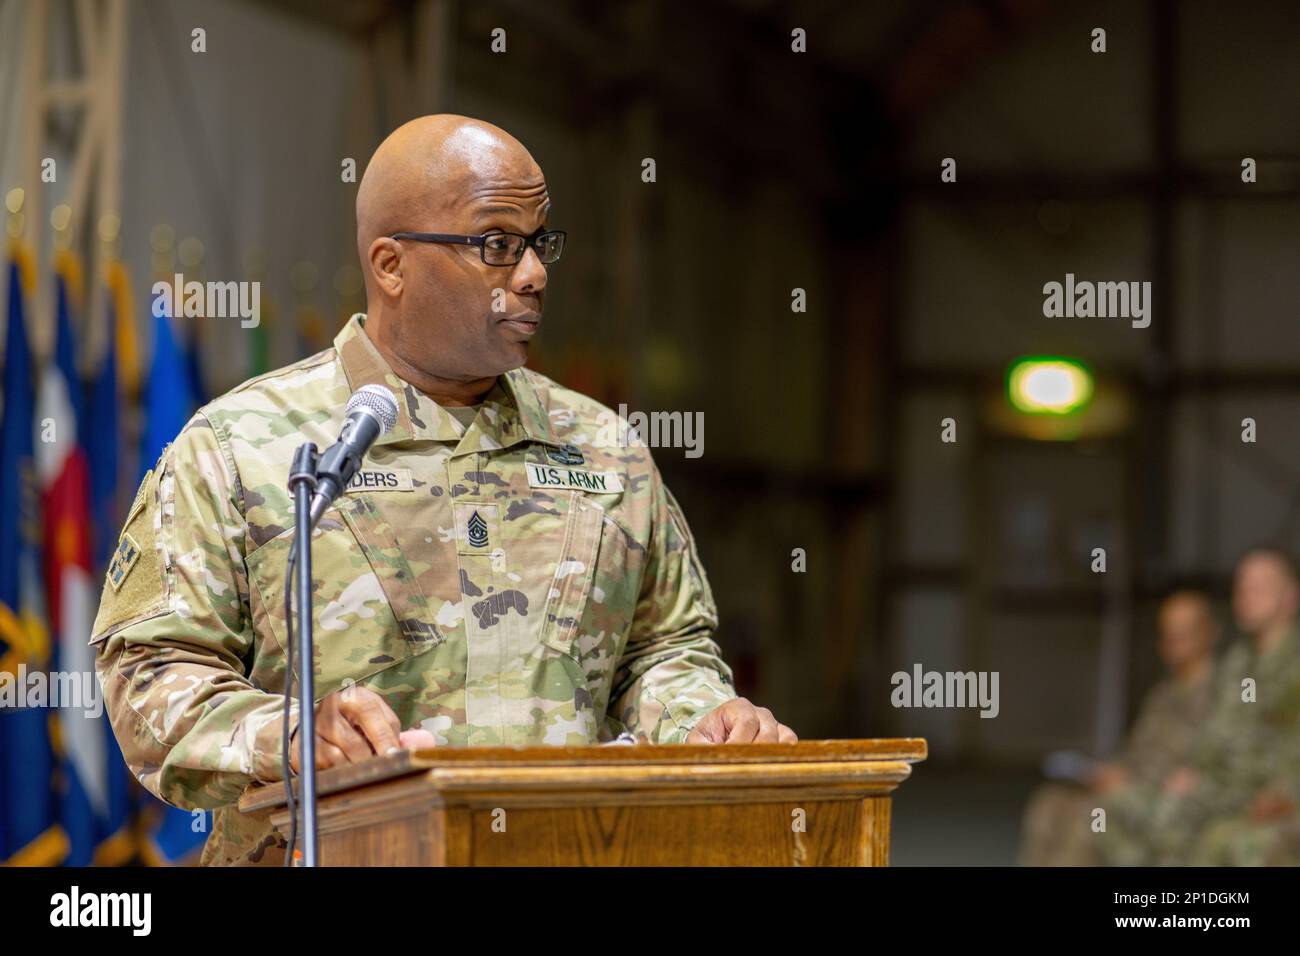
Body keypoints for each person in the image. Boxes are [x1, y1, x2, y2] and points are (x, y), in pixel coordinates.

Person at [91, 115, 796, 866]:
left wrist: (703, 717)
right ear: (391, 264)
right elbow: (148, 676)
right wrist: (288, 734)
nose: (533, 274)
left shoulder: (605, 450)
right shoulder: (242, 450)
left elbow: (662, 649)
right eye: (496, 245)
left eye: (539, 243)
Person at [1100, 547, 1300, 866]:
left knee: (1209, 838)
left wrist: (1287, 793)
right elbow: (1215, 732)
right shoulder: (1237, 662)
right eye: (1242, 587)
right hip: (1222, 786)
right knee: (1118, 809)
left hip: (1269, 794)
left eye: (1260, 587)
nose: (1246, 596)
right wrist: (1191, 770)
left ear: (1291, 595)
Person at [1018, 590, 1217, 866]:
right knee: (1048, 805)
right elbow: (1137, 751)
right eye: (1168, 633)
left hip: (1169, 796)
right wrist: (1110, 772)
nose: (1173, 642)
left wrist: (1134, 783)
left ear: (1208, 632)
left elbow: (1207, 765)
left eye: (1184, 632)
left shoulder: (1222, 694)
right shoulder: (1163, 693)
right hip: (1133, 783)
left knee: (1089, 818)